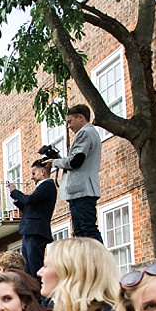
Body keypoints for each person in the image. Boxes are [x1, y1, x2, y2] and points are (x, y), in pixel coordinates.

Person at [49, 104, 103, 242]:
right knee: (81, 231)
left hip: (83, 190)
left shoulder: (85, 133)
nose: (69, 126)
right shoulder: (90, 133)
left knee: (86, 229)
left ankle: (99, 255)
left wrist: (55, 162)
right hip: (82, 190)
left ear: (80, 117)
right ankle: (89, 256)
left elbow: (76, 161)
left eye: (70, 122)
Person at [8, 159, 57, 278]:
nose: (32, 177)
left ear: (43, 172)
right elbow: (28, 207)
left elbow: (29, 200)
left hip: (36, 231)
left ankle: (38, 288)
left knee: (35, 268)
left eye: (34, 173)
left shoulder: (47, 185)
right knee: (28, 269)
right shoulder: (42, 188)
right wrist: (16, 199)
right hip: (30, 231)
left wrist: (15, 191)